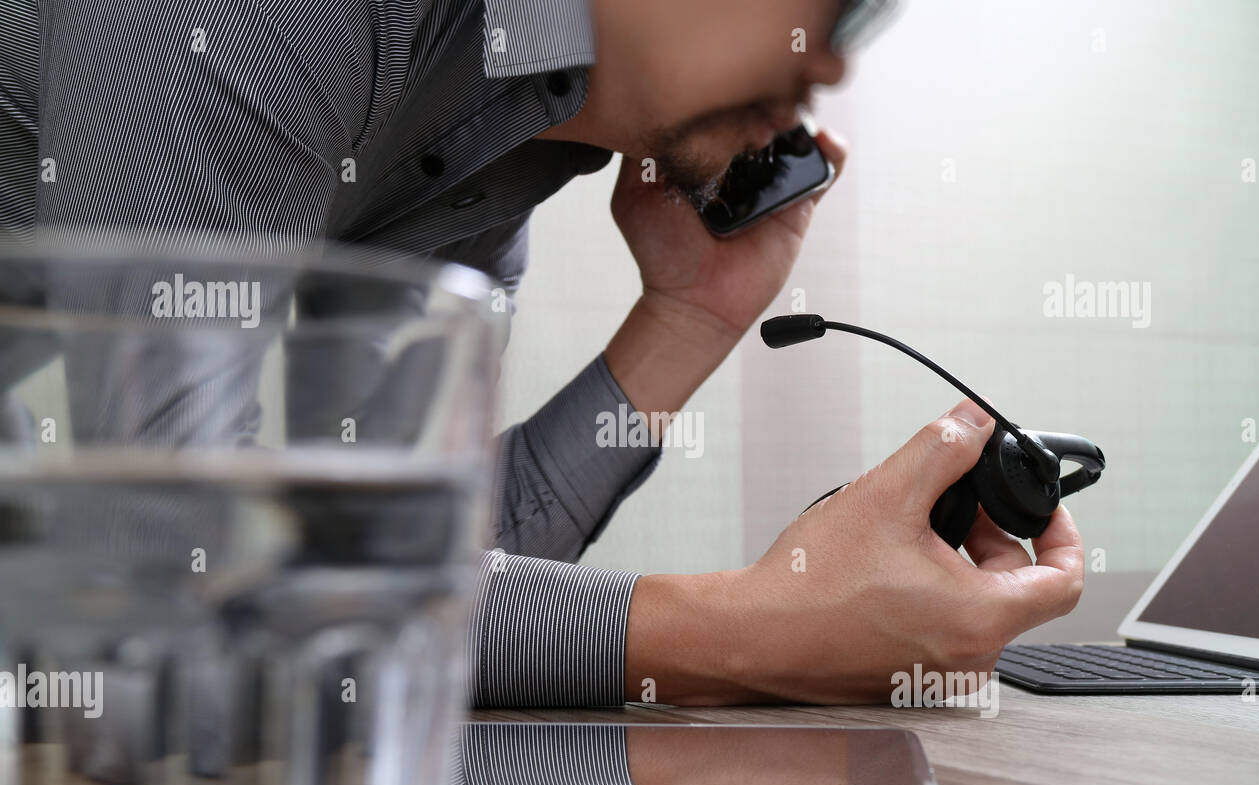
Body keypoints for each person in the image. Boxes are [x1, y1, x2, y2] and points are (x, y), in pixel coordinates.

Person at [0, 0, 1083, 710]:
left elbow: (432, 570)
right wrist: (755, 630)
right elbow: (172, 577)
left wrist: (686, 320)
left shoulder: (502, 151)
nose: (829, 55)